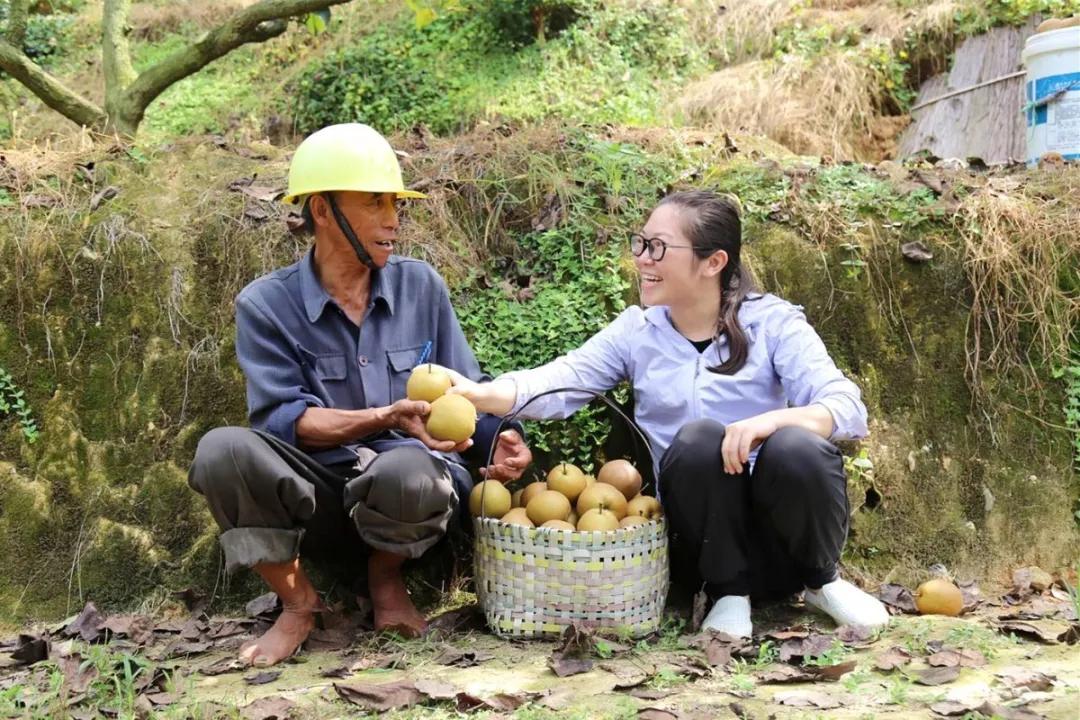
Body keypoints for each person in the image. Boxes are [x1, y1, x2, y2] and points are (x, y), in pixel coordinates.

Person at [445, 189, 888, 638]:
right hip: (700, 545)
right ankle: (728, 593)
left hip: (782, 540)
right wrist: (477, 394)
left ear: (713, 262)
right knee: (698, 441)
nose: (642, 258)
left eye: (658, 247)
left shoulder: (772, 323)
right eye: (641, 243)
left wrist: (771, 422)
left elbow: (845, 407)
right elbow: (561, 380)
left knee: (795, 445)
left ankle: (821, 581)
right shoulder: (638, 332)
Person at [187, 123, 532, 666]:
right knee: (220, 451)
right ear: (322, 210)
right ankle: (299, 604)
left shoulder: (422, 287)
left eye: (395, 204)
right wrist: (384, 416)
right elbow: (283, 422)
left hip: (413, 496)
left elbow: (465, 390)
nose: (393, 219)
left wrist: (502, 439)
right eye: (375, 203)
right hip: (320, 497)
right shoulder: (265, 305)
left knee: (409, 470)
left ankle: (386, 580)